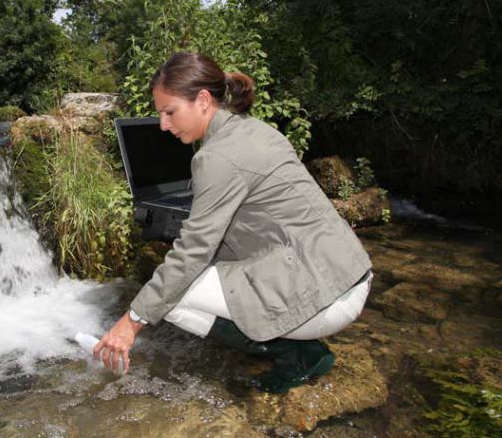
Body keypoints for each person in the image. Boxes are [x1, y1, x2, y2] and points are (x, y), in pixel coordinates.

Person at [93, 52, 373, 393]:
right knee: (184, 276)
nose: (163, 125)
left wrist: (130, 322)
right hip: (349, 273)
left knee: (172, 297)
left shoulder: (215, 157)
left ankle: (300, 354)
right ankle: (296, 343)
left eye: (169, 112)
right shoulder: (253, 130)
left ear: (203, 100)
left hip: (329, 297)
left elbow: (194, 252)